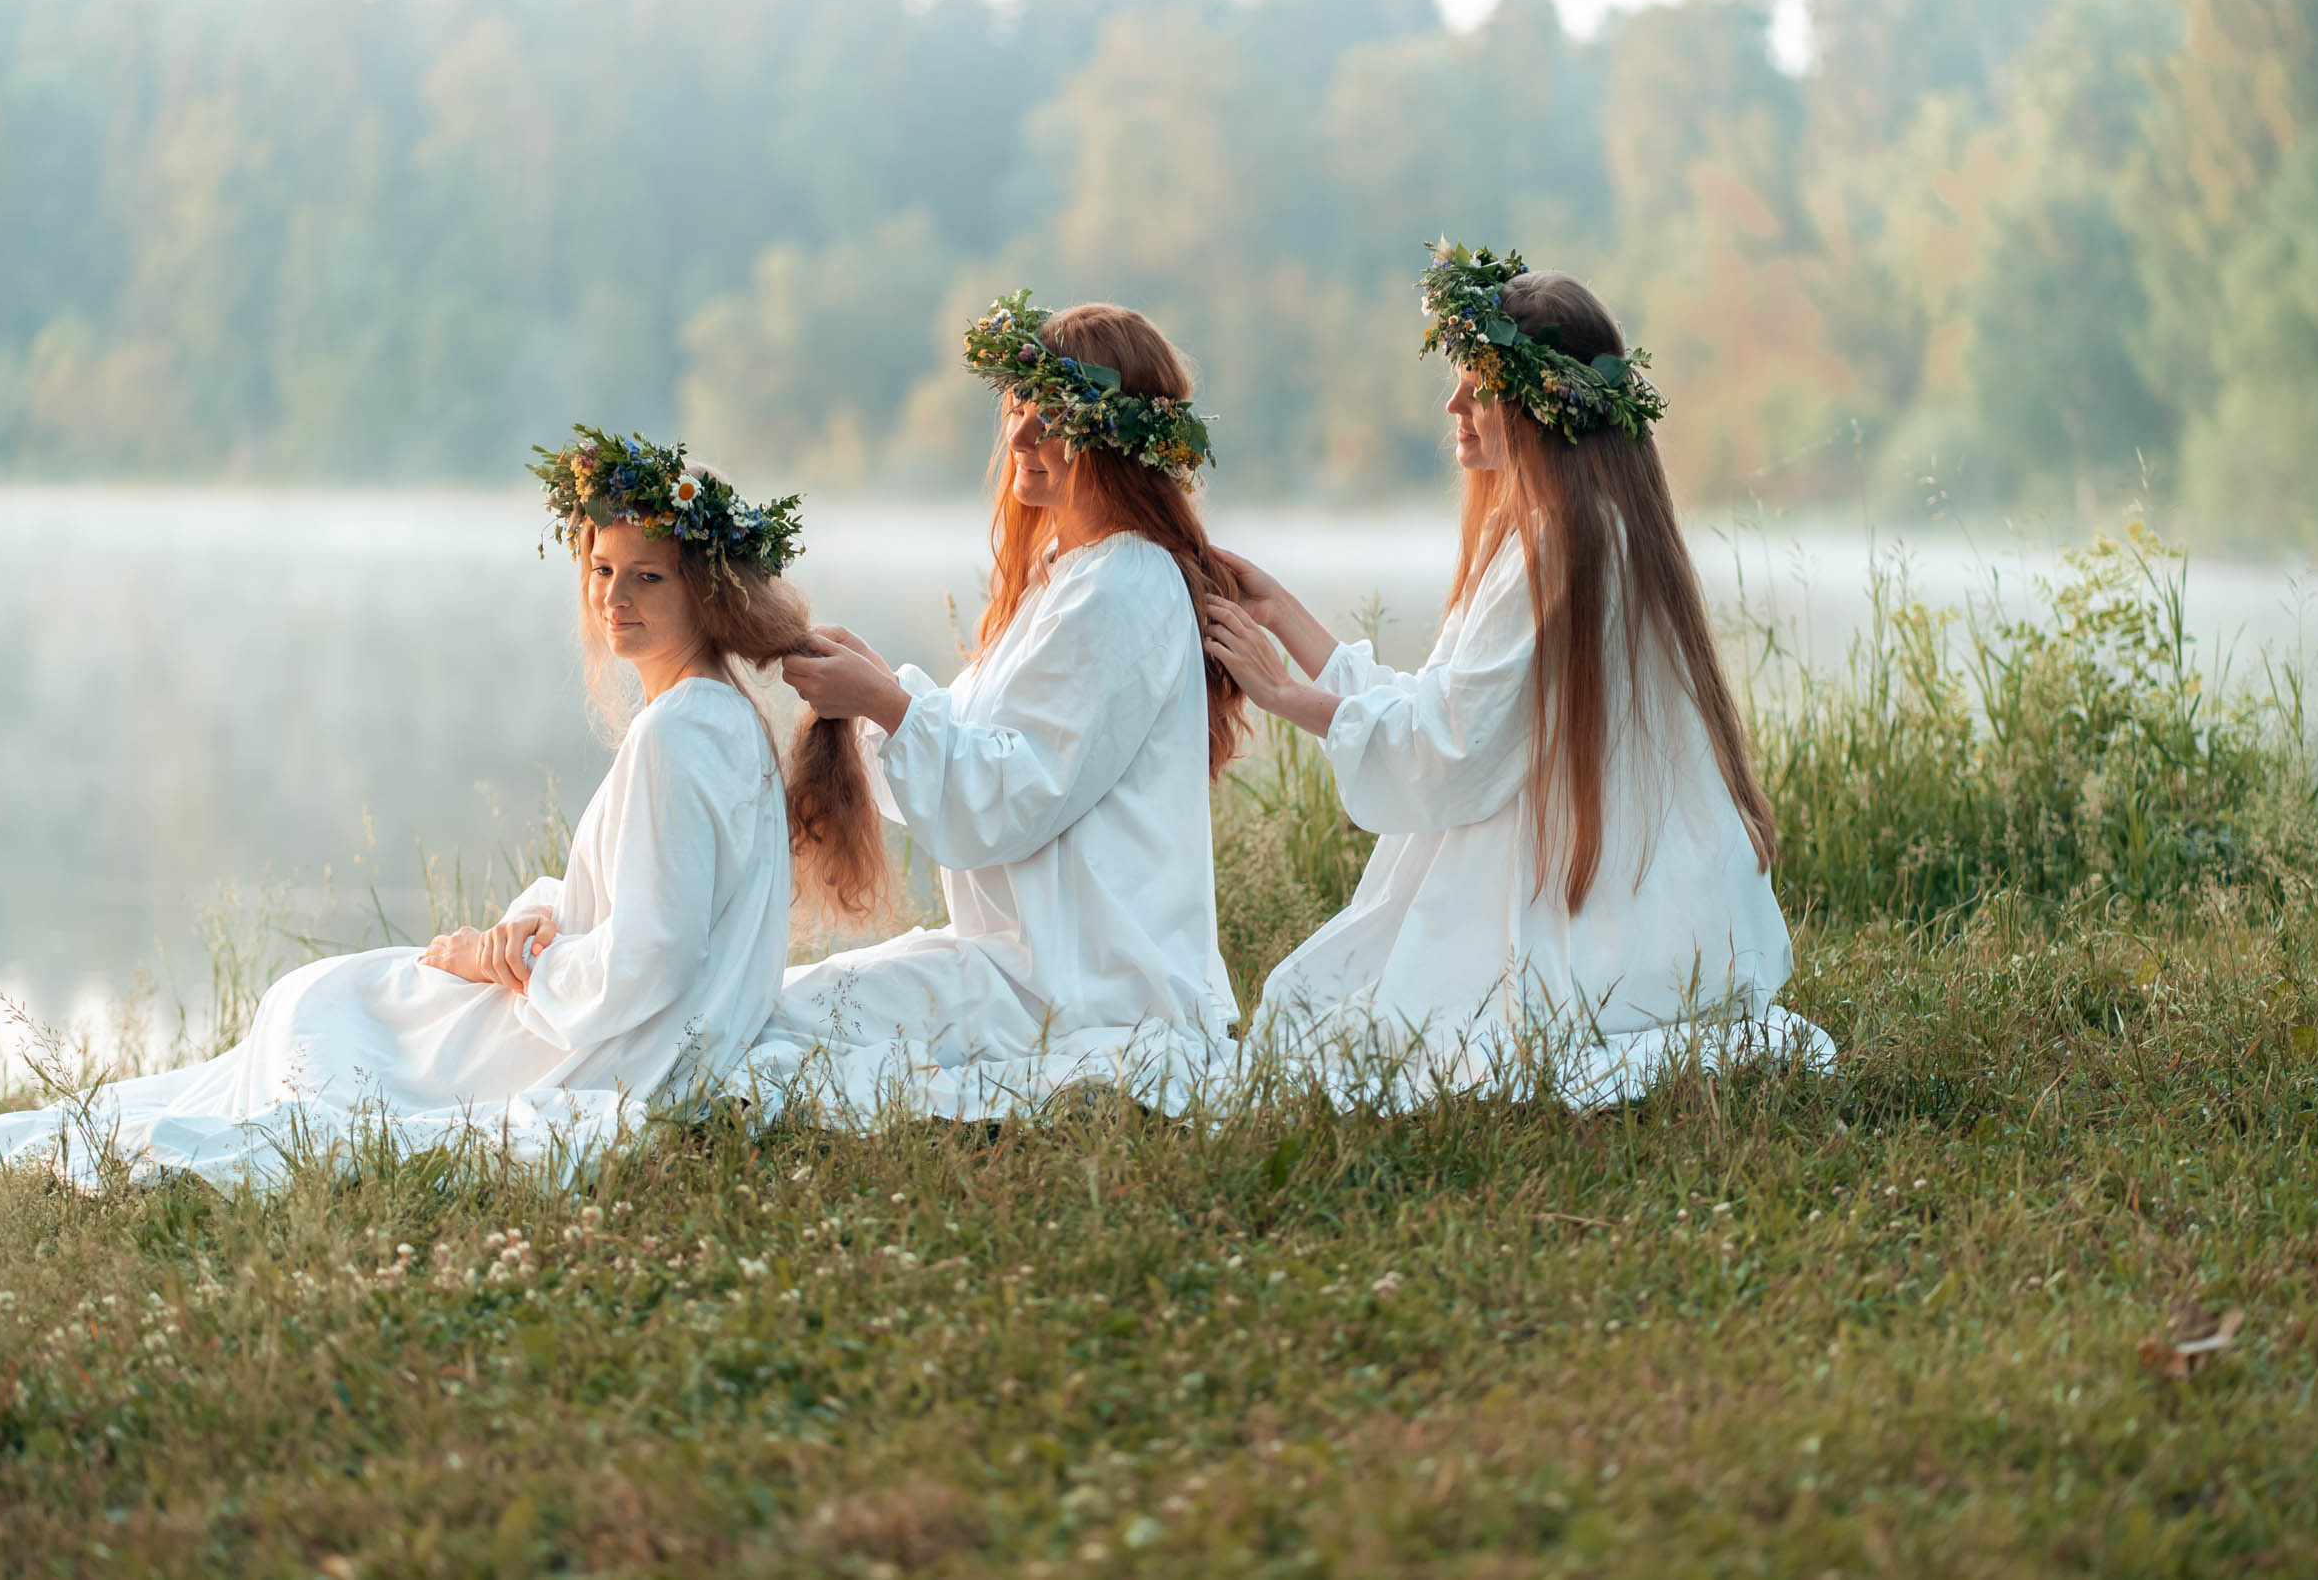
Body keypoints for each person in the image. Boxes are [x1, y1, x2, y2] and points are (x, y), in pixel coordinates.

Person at [0, 427, 884, 1189]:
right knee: (341, 998)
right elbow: (653, 910)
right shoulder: (717, 715)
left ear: (706, 591)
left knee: (321, 1007)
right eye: (603, 569)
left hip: (618, 1050)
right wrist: (528, 927)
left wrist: (504, 963)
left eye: (648, 576)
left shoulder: (679, 734)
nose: (614, 597)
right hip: (639, 1025)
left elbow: (651, 958)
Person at [1203, 244, 1835, 1108]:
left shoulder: (1562, 541)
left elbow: (1453, 746)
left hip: (1593, 897)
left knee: (1353, 1033)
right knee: (1321, 1014)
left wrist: (1280, 694)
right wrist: (1284, 612)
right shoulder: (1553, 524)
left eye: (1480, 387)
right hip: (1596, 864)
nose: (1455, 405)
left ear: (1541, 406)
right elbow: (1448, 706)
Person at [726, 291, 1244, 1125]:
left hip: (1083, 983)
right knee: (777, 1005)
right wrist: (873, 695)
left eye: (1051, 413)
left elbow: (1014, 794)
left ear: (1116, 436)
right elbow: (980, 741)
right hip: (1021, 961)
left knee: (769, 1029)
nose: (1020, 434)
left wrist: (886, 703)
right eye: (1016, 406)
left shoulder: (1123, 585)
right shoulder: (1069, 574)